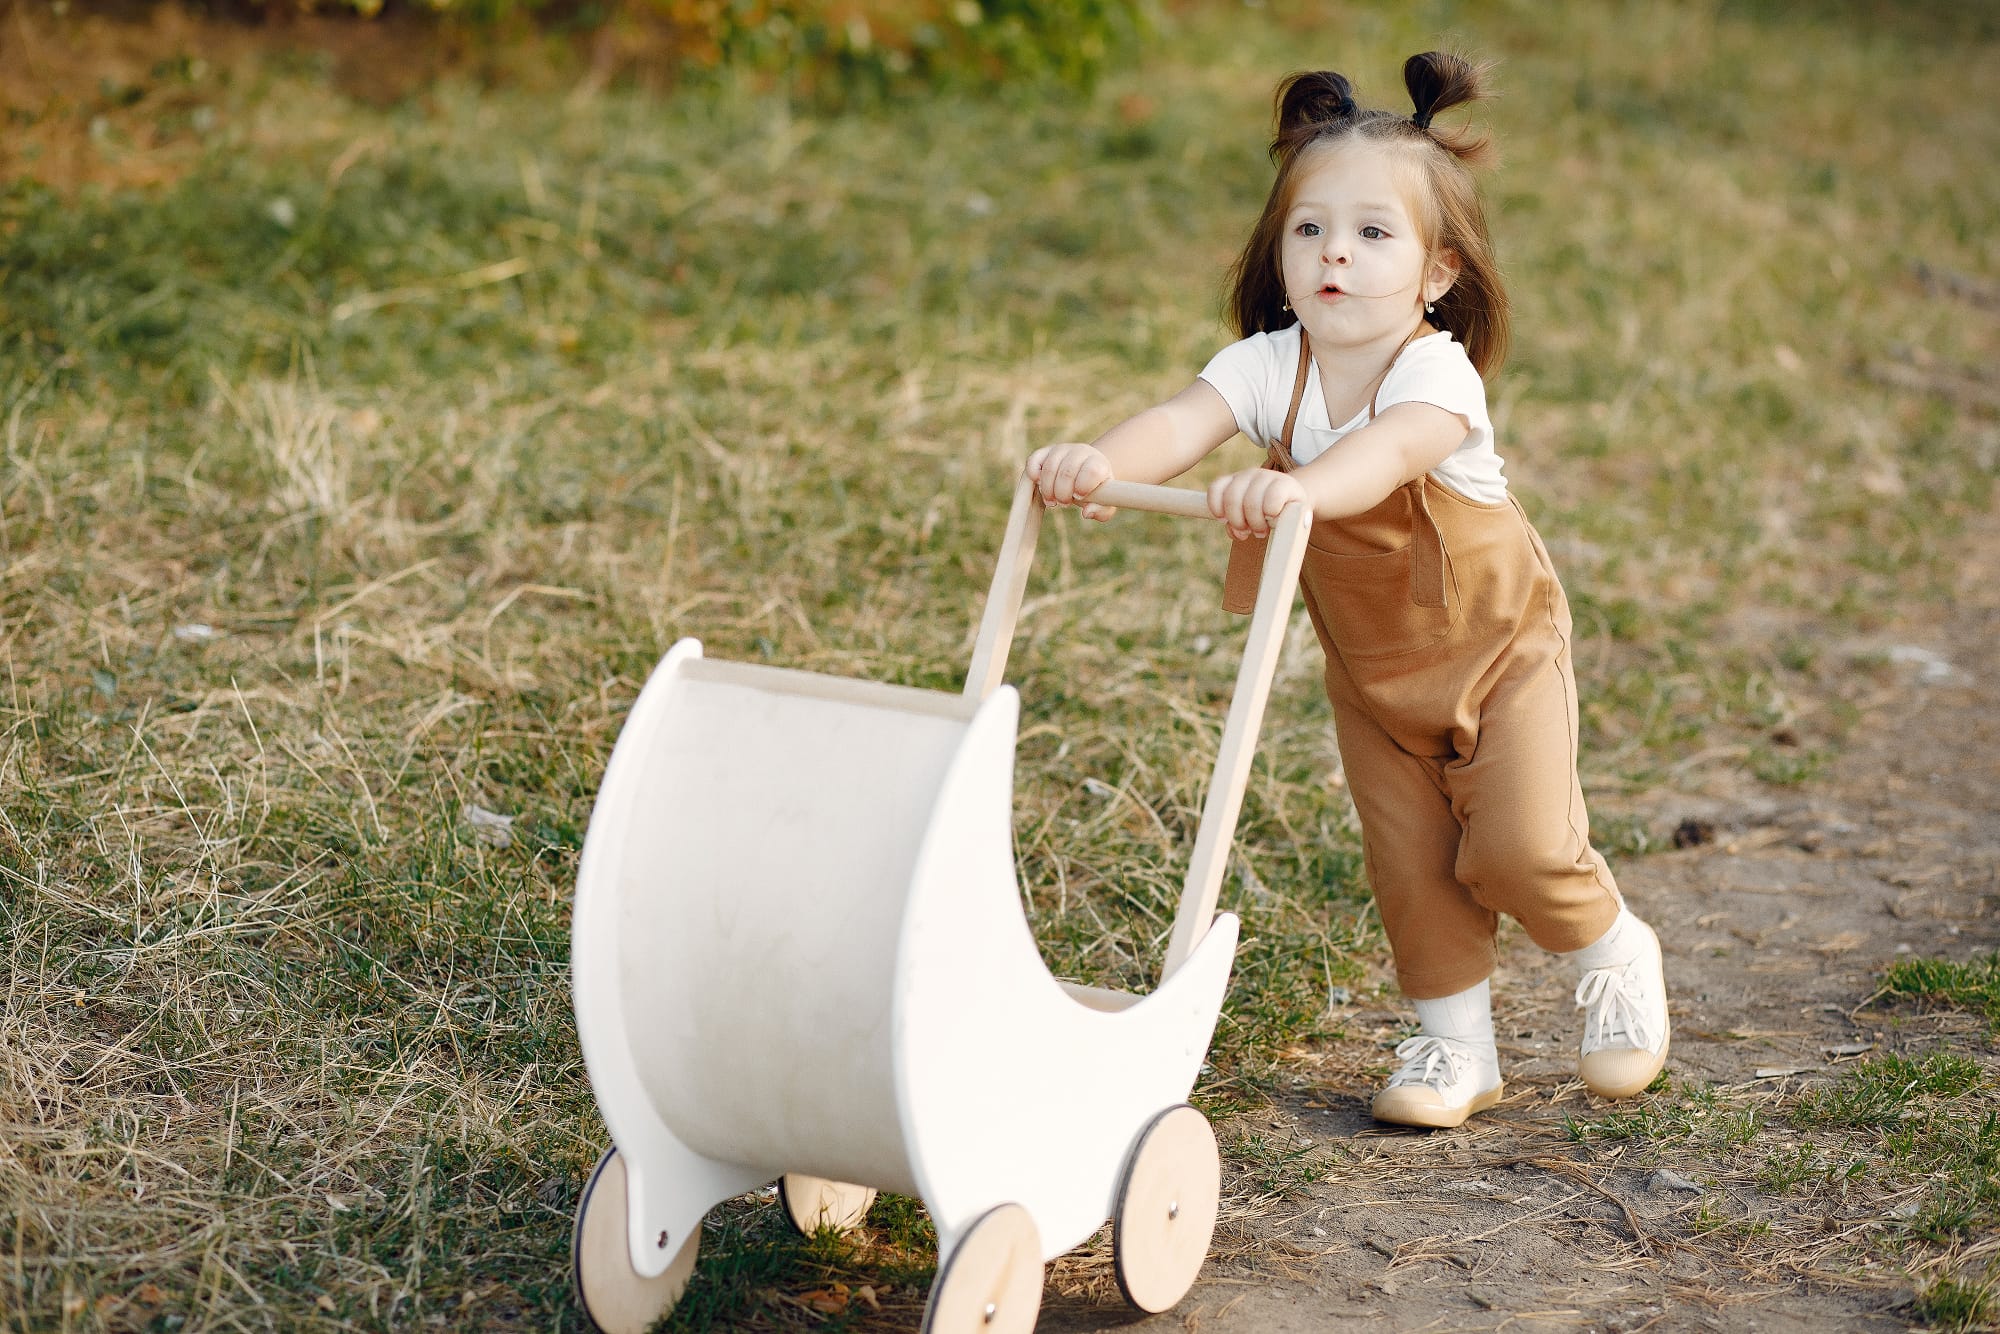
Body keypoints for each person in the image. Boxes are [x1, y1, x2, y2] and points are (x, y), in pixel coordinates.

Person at [1025, 53, 1669, 1129]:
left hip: (1497, 652)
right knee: (1410, 866)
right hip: (1374, 679)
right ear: (1277, 258)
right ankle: (1454, 1043)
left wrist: (1295, 493)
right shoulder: (1266, 365)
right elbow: (1177, 423)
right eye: (1309, 230)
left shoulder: (1434, 374)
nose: (1335, 253)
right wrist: (1096, 463)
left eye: (1373, 234)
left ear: (1434, 273)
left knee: (1515, 846)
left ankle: (1607, 945)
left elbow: (1382, 459)